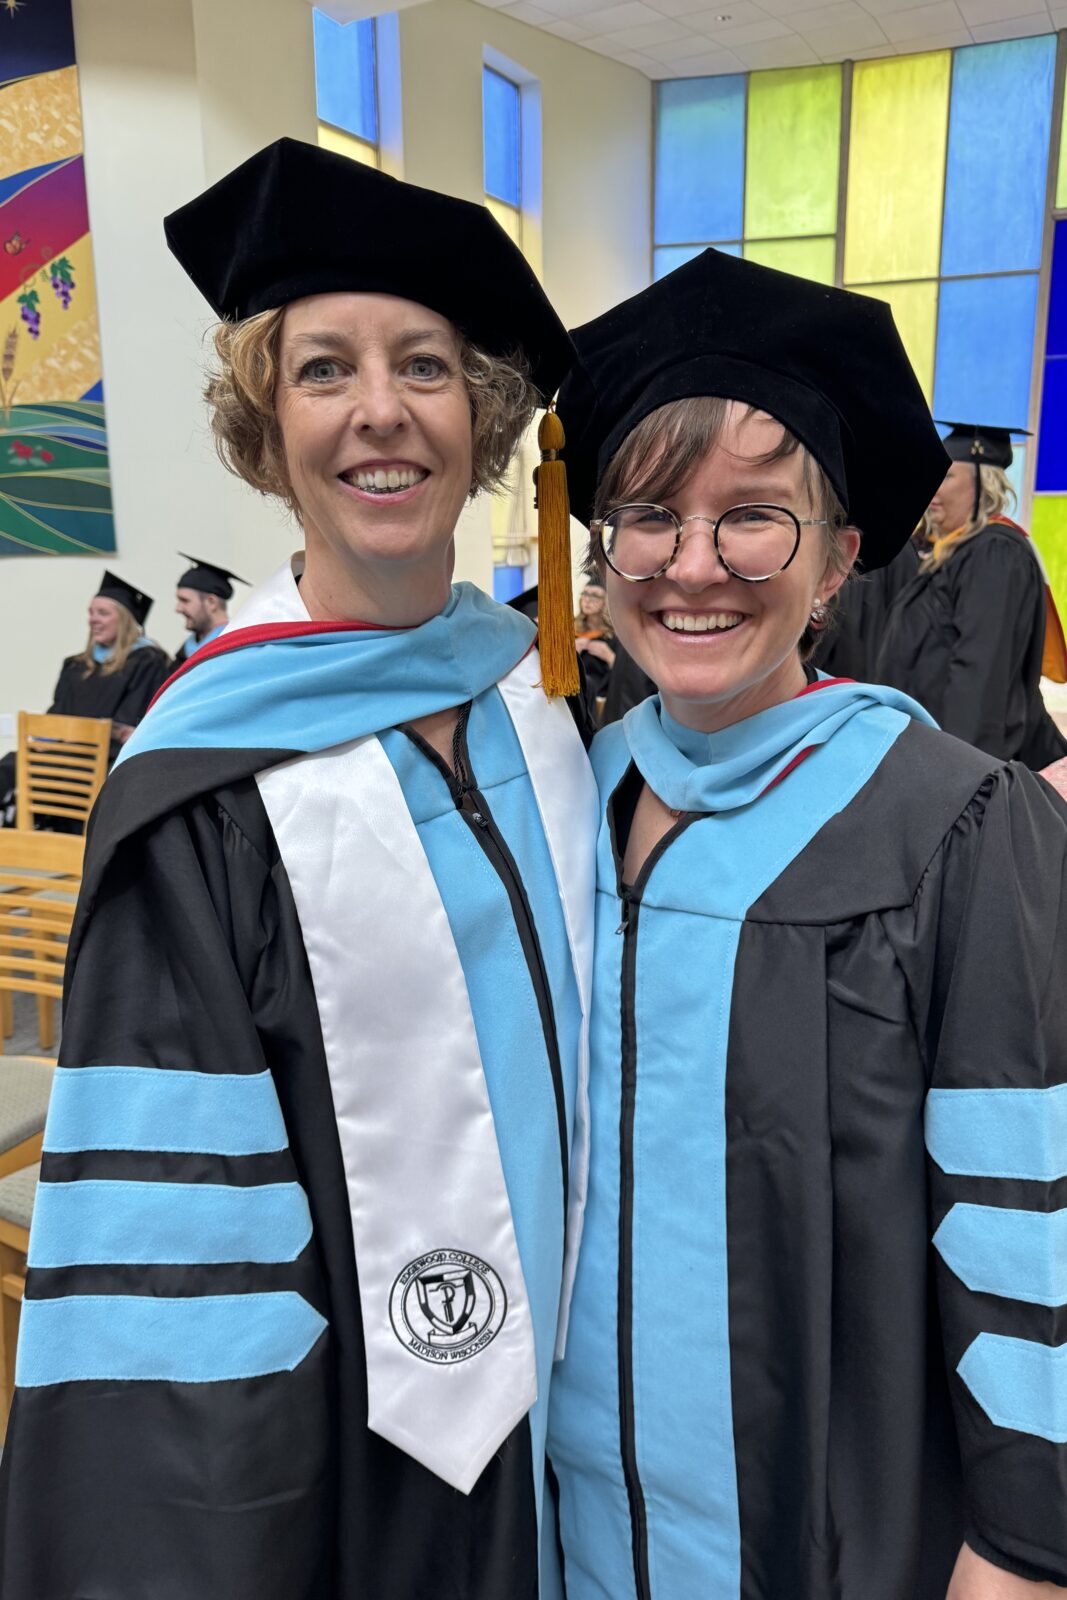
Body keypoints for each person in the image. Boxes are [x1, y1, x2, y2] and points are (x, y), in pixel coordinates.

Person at [0, 138, 597, 1600]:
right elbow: (176, 1272)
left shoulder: (548, 715)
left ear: (487, 418)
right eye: (323, 369)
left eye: (425, 366)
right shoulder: (206, 786)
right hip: (350, 1472)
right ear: (268, 429)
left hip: (577, 1428)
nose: (379, 412)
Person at [545, 249, 1067, 1599]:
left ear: (838, 559)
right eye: (647, 517)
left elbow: (1027, 1212)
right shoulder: (556, 802)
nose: (692, 566)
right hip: (559, 1522)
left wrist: (1021, 1549)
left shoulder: (948, 822)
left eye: (752, 518)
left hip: (821, 1528)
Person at [876, 423, 1067, 769]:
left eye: (947, 477)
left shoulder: (994, 555)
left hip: (956, 766)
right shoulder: (951, 555)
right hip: (923, 752)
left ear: (984, 483)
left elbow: (979, 678)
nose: (932, 488)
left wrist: (957, 777)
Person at [0, 571, 169, 824]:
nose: (93, 620)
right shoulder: (75, 665)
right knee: (11, 763)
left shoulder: (148, 661)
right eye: (90, 612)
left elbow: (127, 725)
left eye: (103, 613)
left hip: (104, 757)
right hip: (63, 752)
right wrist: (43, 739)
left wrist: (67, 740)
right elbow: (57, 713)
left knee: (68, 776)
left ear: (124, 620)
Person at [172, 552, 249, 667]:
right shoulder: (184, 653)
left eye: (185, 601)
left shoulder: (234, 650)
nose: (177, 609)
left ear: (212, 602)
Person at [573, 581, 616, 708]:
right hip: (576, 699)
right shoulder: (570, 631)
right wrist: (571, 653)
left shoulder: (615, 636)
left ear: (606, 601)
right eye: (585, 593)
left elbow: (628, 677)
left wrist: (610, 657)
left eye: (595, 595)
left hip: (604, 702)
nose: (587, 600)